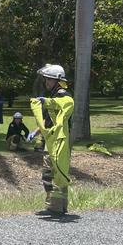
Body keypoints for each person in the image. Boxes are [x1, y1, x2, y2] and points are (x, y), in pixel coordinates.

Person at [30, 64, 74, 216]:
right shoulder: (55, 95)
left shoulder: (62, 95)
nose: (46, 83)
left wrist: (48, 102)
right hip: (54, 139)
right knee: (59, 172)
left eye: (49, 80)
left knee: (50, 173)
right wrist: (36, 131)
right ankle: (60, 206)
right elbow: (49, 120)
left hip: (58, 140)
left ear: (57, 80)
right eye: (46, 80)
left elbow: (66, 104)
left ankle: (55, 207)